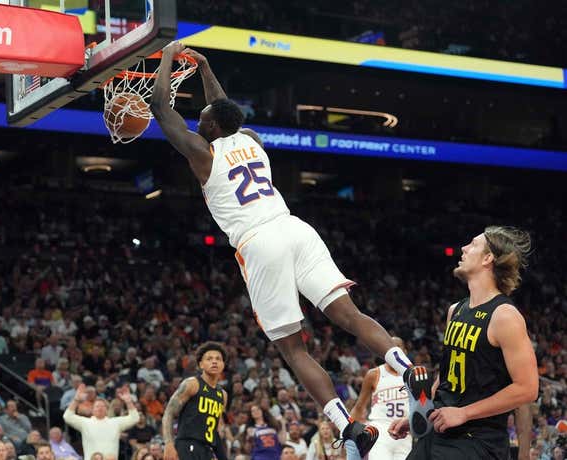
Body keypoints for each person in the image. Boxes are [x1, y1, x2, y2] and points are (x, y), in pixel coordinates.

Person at [148, 41, 431, 456]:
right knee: (349, 315)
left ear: (208, 128)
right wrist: (205, 66)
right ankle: (408, 371)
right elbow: (224, 108)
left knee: (292, 347)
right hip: (296, 228)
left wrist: (168, 56)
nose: (199, 118)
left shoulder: (202, 153)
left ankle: (348, 427)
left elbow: (160, 108)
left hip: (260, 242)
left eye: (202, 118)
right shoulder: (252, 138)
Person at [389, 227, 539, 459]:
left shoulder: (504, 315)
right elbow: (446, 378)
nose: (463, 248)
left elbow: (528, 389)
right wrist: (419, 414)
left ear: (488, 258)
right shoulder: (455, 310)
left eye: (473, 244)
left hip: (477, 440)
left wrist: (464, 413)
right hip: (438, 431)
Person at [162, 342, 228, 460]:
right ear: (201, 364)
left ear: (223, 364)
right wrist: (168, 443)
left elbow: (215, 431)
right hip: (187, 445)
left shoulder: (223, 395)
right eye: (209, 359)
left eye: (218, 359)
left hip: (207, 449)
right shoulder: (192, 384)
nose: (214, 361)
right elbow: (169, 413)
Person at [349, 337, 411, 460]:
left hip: (405, 434)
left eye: (398, 347)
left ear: (405, 351)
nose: (395, 351)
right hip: (380, 431)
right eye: (391, 347)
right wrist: (348, 434)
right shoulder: (374, 374)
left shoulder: (413, 374)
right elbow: (359, 407)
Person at [63, 384, 139, 460]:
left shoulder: (115, 422)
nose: (100, 408)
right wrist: (76, 400)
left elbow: (135, 418)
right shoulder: (85, 422)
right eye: (97, 406)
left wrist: (129, 402)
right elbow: (67, 417)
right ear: (92, 410)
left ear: (107, 410)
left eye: (103, 406)